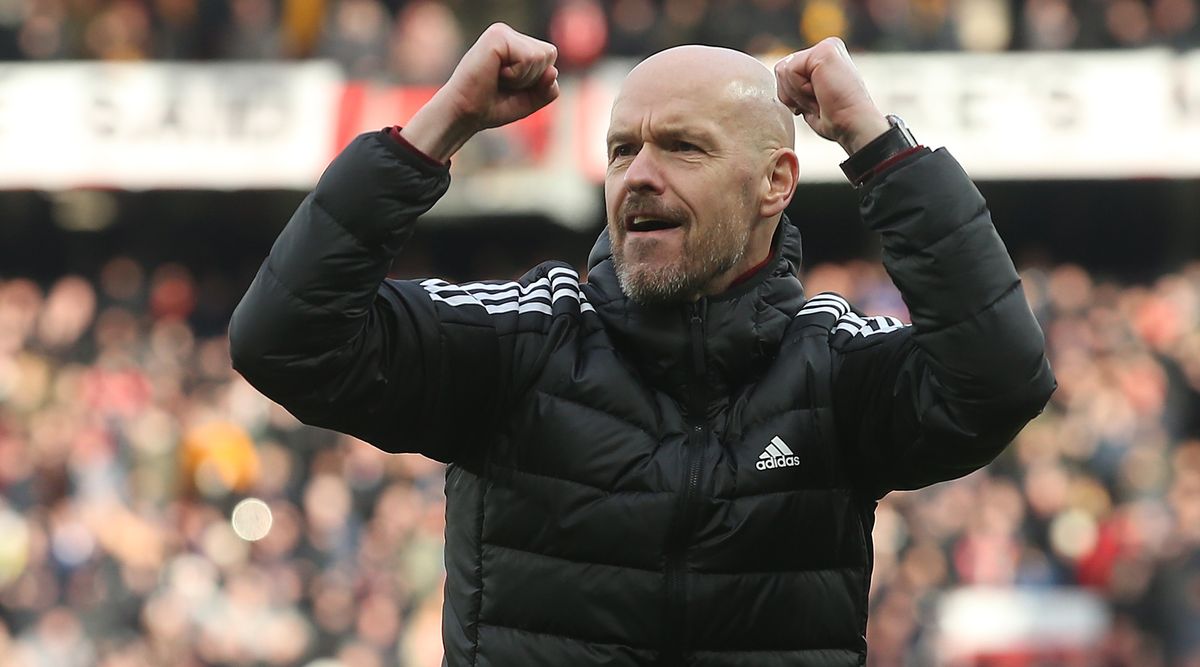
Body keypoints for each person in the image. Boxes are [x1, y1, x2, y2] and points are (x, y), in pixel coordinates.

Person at [229, 23, 1056, 667]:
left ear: (776, 182)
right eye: (623, 149)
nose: (639, 176)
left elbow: (999, 380)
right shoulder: (522, 339)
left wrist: (878, 146)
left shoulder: (831, 366)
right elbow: (285, 339)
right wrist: (437, 126)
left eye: (683, 147)